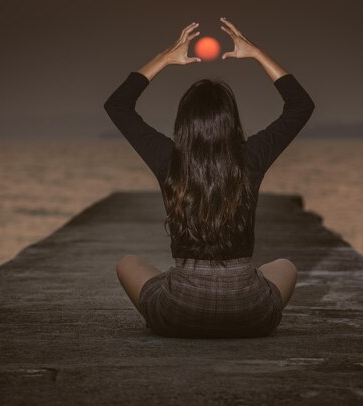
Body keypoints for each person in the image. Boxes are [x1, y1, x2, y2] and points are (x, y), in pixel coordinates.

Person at [105, 17, 315, 338]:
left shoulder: (168, 159)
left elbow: (118, 105)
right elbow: (300, 105)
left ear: (184, 123)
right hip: (250, 313)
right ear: (231, 122)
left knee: (128, 263)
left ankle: (180, 295)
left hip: (179, 312)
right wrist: (257, 53)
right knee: (286, 265)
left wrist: (165, 57)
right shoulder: (250, 157)